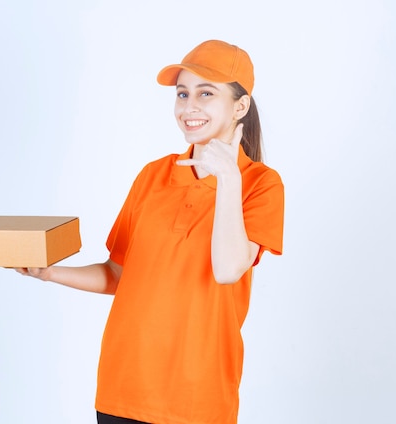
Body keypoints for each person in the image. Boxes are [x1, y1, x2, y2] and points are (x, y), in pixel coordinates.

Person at [16, 39, 284, 424]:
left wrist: (227, 177)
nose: (189, 106)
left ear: (240, 106)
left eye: (206, 93)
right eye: (182, 94)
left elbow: (228, 270)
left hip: (197, 398)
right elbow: (118, 274)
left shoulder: (261, 184)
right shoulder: (153, 175)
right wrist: (50, 272)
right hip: (122, 388)